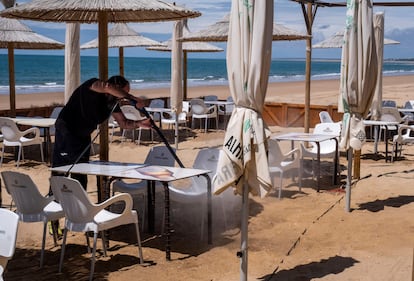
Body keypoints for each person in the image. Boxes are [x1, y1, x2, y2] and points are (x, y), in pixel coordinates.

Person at [51, 75, 151, 189]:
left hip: (83, 136)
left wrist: (139, 123)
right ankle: (55, 198)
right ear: (116, 87)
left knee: (80, 170)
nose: (122, 98)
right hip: (67, 131)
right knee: (62, 168)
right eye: (122, 93)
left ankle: (79, 201)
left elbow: (123, 123)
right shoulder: (92, 85)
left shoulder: (113, 104)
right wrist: (131, 98)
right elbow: (107, 86)